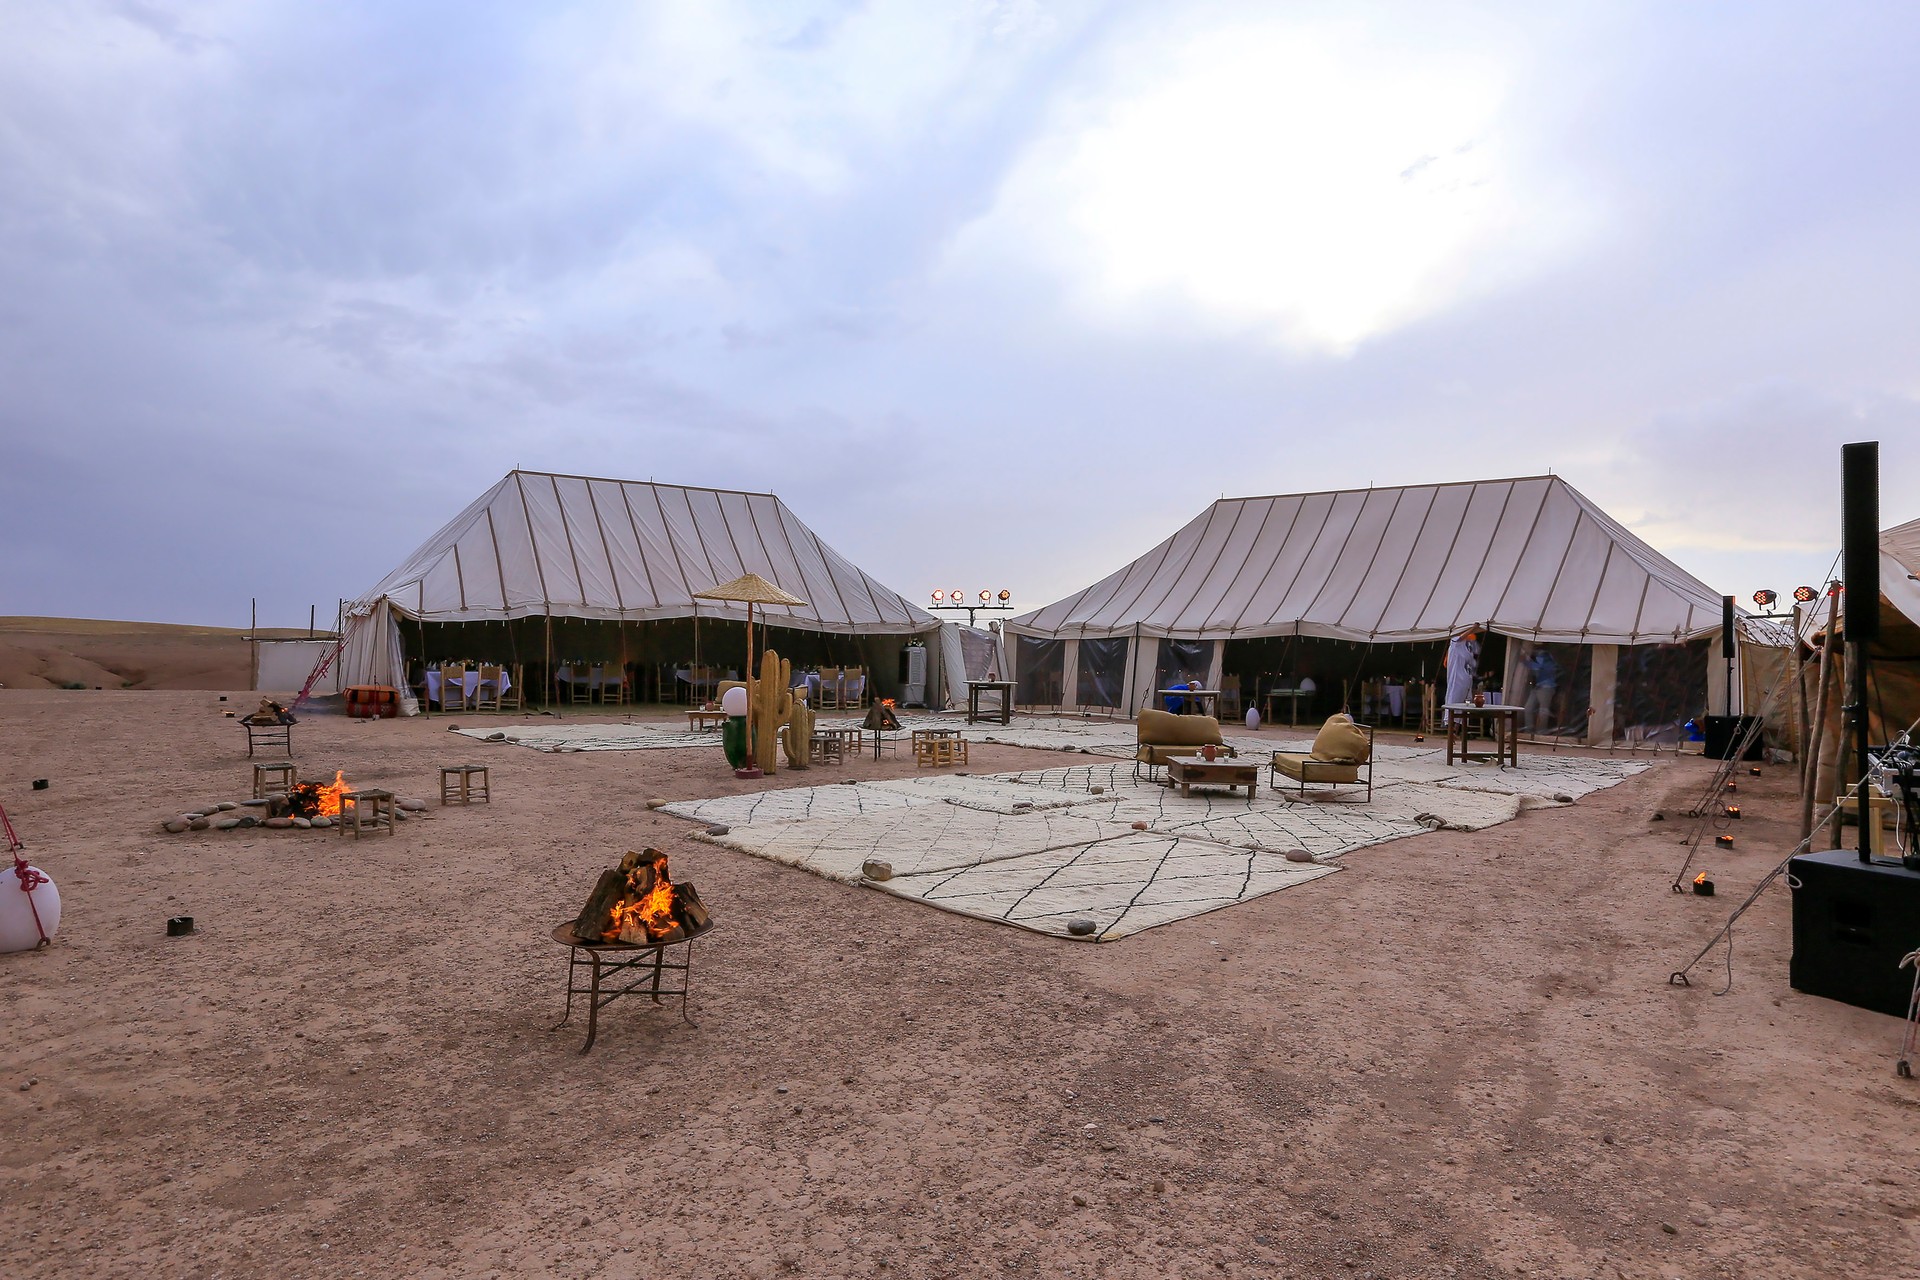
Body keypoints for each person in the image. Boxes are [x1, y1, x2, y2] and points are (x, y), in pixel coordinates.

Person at [1443, 629, 1479, 723]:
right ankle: (1451, 728)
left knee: (1464, 705)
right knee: (1454, 702)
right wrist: (1474, 627)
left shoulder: (1467, 648)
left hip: (1466, 680)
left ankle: (1458, 729)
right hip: (1457, 680)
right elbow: (1460, 637)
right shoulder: (1455, 642)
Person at [1522, 647, 1559, 733]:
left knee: (1543, 710)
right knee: (1529, 708)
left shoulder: (1544, 656)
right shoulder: (1545, 657)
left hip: (1546, 687)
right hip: (1538, 686)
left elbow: (1536, 667)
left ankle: (1541, 731)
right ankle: (1529, 729)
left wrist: (1525, 660)